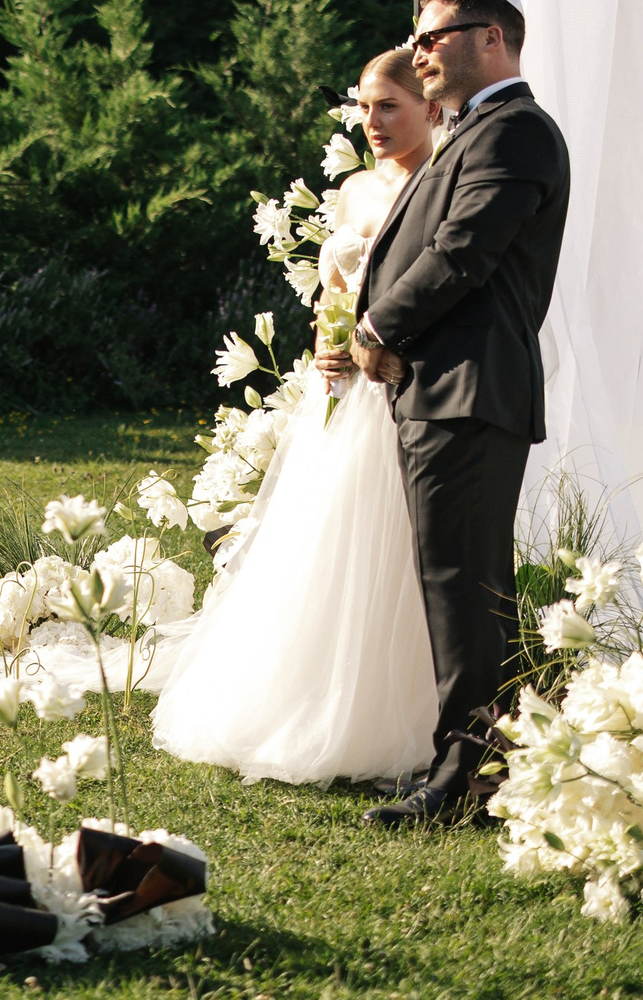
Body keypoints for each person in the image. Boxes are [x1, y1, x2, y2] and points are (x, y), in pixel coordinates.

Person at [153, 48, 443, 784]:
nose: (373, 122)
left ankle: (390, 712)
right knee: (323, 541)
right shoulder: (352, 189)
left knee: (392, 547)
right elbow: (334, 289)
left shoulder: (443, 180)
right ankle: (302, 695)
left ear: (428, 107)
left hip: (403, 383)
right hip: (341, 390)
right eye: (366, 107)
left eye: (390, 107)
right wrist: (326, 345)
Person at [350, 0, 570, 828]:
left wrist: (378, 324)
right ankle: (487, 763)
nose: (418, 54)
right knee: (462, 580)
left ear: (493, 39)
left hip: (469, 386)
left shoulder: (516, 131)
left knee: (462, 581)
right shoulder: (476, 131)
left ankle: (464, 778)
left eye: (433, 38)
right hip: (444, 386)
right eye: (416, 39)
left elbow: (462, 250)